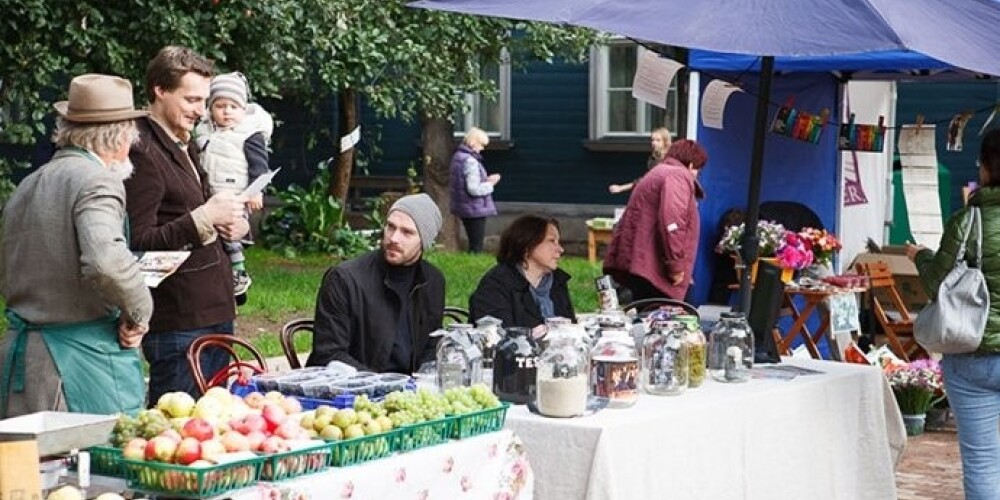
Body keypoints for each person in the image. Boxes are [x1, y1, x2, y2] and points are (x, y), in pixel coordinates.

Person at [0, 74, 153, 417]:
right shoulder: (98, 180)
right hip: (81, 365)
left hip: (22, 360)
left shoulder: (28, 183)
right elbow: (106, 262)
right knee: (97, 467)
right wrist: (140, 312)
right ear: (120, 139)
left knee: (27, 468)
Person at [125, 46, 249, 405]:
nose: (201, 109)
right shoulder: (141, 150)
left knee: (213, 430)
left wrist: (233, 226)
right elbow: (138, 242)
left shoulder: (184, 140)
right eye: (192, 99)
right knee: (175, 438)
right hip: (177, 321)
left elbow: (198, 210)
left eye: (204, 99)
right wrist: (204, 218)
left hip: (214, 309)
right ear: (159, 90)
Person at [907, 128, 1000, 500]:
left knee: (981, 462)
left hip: (970, 353)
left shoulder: (968, 222)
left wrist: (922, 257)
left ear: (988, 167)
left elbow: (938, 285)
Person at [306, 193, 445, 373]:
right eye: (391, 227)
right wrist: (381, 385)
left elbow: (431, 348)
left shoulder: (432, 280)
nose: (394, 238)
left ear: (424, 242)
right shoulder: (344, 279)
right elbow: (329, 354)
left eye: (407, 232)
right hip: (354, 390)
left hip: (413, 392)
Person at [195, 71, 274, 296]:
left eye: (233, 106)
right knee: (211, 233)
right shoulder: (204, 132)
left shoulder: (249, 133)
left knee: (229, 230)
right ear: (210, 108)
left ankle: (239, 270)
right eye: (220, 106)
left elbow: (259, 164)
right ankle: (222, 276)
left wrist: (257, 191)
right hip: (211, 193)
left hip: (238, 193)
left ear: (243, 109)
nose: (227, 111)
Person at [603, 139, 709, 301]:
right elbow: (672, 221)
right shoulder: (677, 175)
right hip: (654, 270)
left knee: (646, 319)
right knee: (675, 321)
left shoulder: (658, 172)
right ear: (690, 165)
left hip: (640, 265)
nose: (696, 176)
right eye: (698, 170)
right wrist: (676, 266)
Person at [469, 215, 575, 330]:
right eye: (551, 241)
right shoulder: (496, 285)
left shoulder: (557, 282)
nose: (560, 249)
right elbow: (496, 337)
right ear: (527, 245)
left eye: (558, 242)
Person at [449, 126, 500, 253]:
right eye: (481, 144)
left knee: (473, 242)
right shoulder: (470, 161)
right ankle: (474, 268)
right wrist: (491, 184)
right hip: (474, 208)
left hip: (464, 207)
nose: (482, 148)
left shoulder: (458, 157)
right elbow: (473, 189)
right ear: (473, 143)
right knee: (476, 246)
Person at [608, 127, 672, 194]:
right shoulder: (653, 158)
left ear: (665, 142)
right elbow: (647, 179)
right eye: (652, 140)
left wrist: (622, 188)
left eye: (658, 140)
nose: (654, 143)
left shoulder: (669, 159)